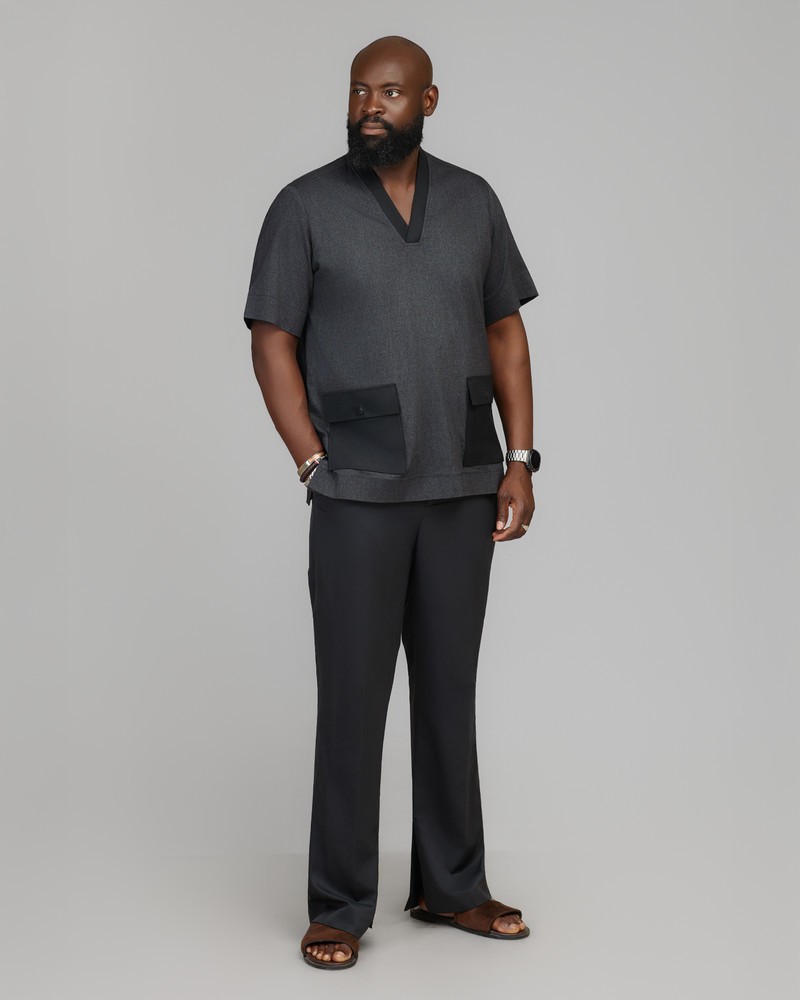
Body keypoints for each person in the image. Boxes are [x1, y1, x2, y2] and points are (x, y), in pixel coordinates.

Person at [243, 34, 541, 970]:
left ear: (428, 102)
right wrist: (309, 459)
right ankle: (338, 904)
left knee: (449, 694)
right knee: (353, 698)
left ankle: (451, 887)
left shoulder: (473, 202)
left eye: (390, 92)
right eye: (358, 91)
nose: (370, 106)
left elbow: (505, 330)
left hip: (463, 482)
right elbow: (271, 337)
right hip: (358, 492)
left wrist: (520, 458)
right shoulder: (304, 207)